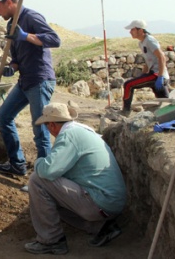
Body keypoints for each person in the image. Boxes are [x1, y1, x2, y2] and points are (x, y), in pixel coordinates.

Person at [25, 103, 127, 255]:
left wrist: (38, 162)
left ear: (52, 125)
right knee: (51, 198)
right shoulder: (82, 131)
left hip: (101, 202)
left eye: (47, 126)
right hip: (110, 202)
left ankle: (52, 241)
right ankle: (101, 228)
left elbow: (47, 171)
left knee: (37, 180)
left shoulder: (69, 136)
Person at [0, 0, 61, 176]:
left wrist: (26, 36)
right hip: (25, 80)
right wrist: (11, 68)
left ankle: (45, 177)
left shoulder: (31, 17)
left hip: (40, 79)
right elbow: (17, 59)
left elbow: (55, 39)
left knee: (40, 130)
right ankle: (17, 164)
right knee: (3, 117)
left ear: (10, 3)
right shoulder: (11, 25)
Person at [122, 20, 170, 114]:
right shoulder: (141, 43)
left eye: (132, 29)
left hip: (157, 74)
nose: (130, 32)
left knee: (128, 85)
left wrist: (160, 76)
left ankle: (125, 111)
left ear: (140, 30)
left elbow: (162, 57)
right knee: (165, 101)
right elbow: (148, 61)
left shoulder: (149, 40)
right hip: (154, 74)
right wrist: (143, 75)